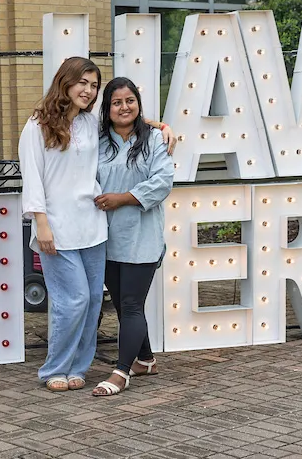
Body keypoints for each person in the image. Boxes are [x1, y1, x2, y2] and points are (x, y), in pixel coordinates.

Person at [20, 57, 174, 392]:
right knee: (71, 299)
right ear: (66, 82)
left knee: (91, 300)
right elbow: (32, 178)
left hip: (93, 228)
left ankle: (79, 366)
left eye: (94, 85)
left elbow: (127, 119)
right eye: (83, 83)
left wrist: (161, 126)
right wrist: (40, 223)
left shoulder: (92, 125)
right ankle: (54, 368)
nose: (89, 91)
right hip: (56, 227)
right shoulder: (37, 125)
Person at [90, 77, 174, 397]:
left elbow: (163, 181)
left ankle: (121, 373)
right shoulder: (98, 142)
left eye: (130, 101)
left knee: (131, 303)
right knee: (126, 308)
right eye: (116, 102)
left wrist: (123, 198)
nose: (124, 107)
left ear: (138, 103)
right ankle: (146, 360)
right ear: (107, 108)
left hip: (143, 236)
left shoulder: (154, 139)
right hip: (108, 238)